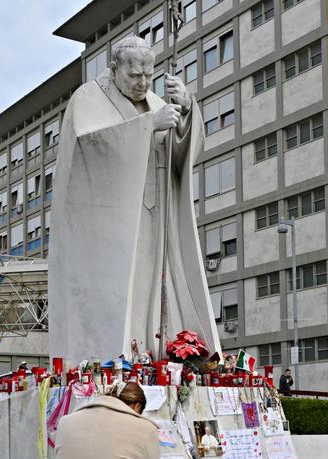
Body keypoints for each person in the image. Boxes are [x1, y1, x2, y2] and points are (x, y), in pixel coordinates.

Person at [48, 35, 219, 362]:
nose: (142, 84)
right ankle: (116, 358)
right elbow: (86, 149)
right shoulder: (87, 99)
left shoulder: (157, 102)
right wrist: (147, 127)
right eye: (134, 76)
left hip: (156, 215)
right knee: (123, 292)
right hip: (112, 225)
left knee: (154, 292)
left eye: (148, 76)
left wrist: (185, 113)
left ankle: (157, 353)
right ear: (114, 69)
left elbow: (182, 157)